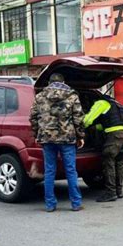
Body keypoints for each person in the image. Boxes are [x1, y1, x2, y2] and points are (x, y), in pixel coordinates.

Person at [30, 73, 85, 212]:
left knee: (49, 171)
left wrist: (37, 134)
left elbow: (33, 117)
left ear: (49, 82)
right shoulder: (72, 96)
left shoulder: (40, 97)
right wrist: (80, 136)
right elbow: (78, 118)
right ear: (63, 81)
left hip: (47, 138)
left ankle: (50, 204)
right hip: (67, 139)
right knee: (71, 170)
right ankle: (76, 203)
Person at [83, 96, 123, 202]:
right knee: (119, 163)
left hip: (114, 135)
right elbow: (108, 122)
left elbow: (88, 120)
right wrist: (96, 127)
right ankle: (118, 191)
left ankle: (110, 192)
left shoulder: (101, 103)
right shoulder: (118, 104)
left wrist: (80, 124)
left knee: (108, 161)